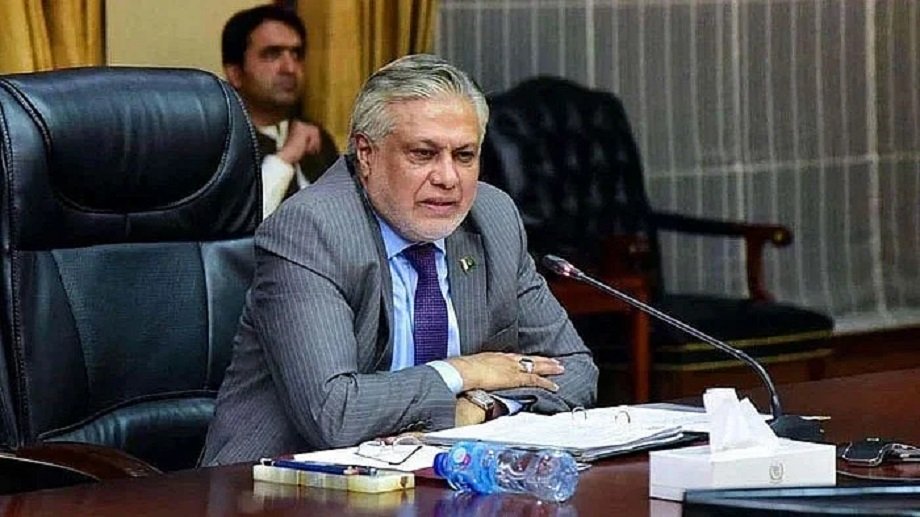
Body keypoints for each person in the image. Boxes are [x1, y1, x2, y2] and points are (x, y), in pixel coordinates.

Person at [202, 54, 598, 465]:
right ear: (366, 154)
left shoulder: (492, 218)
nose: (448, 178)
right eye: (423, 154)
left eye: (464, 155)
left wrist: (481, 407)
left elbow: (575, 371)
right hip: (283, 484)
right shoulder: (311, 231)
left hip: (439, 480)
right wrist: (463, 372)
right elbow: (336, 414)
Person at [221, 5, 337, 218]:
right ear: (235, 73)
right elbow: (238, 222)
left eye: (296, 54)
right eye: (272, 54)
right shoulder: (222, 146)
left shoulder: (317, 140)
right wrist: (286, 157)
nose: (290, 68)